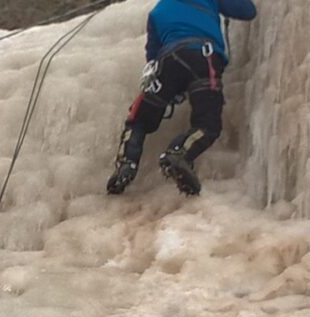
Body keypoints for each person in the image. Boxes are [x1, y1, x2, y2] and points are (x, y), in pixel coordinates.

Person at [106, 0, 257, 196]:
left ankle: (126, 165)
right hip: (204, 58)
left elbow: (152, 56)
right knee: (208, 125)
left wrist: (171, 87)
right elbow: (248, 11)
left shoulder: (157, 10)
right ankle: (179, 153)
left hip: (168, 60)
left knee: (138, 119)